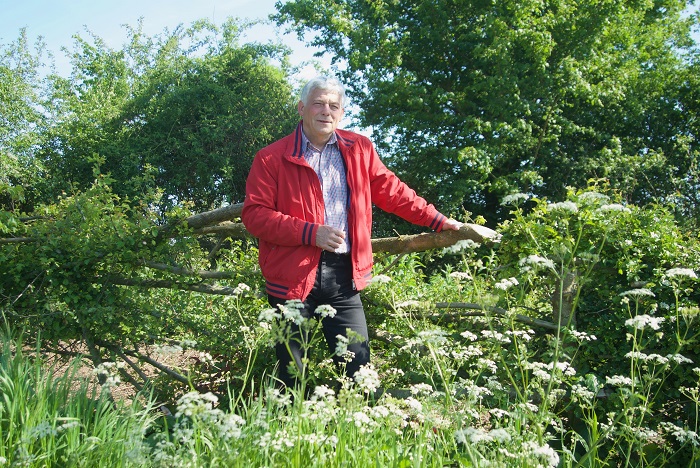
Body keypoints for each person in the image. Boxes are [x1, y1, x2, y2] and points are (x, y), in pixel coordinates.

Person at [241, 76, 462, 390]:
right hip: (290, 278)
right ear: (302, 108)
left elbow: (394, 192)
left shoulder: (359, 148)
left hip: (344, 277)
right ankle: (291, 433)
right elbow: (255, 215)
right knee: (291, 376)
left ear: (342, 113)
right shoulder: (270, 157)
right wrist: (309, 233)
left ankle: (356, 433)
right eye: (318, 103)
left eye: (334, 105)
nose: (326, 111)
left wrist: (438, 220)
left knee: (360, 373)